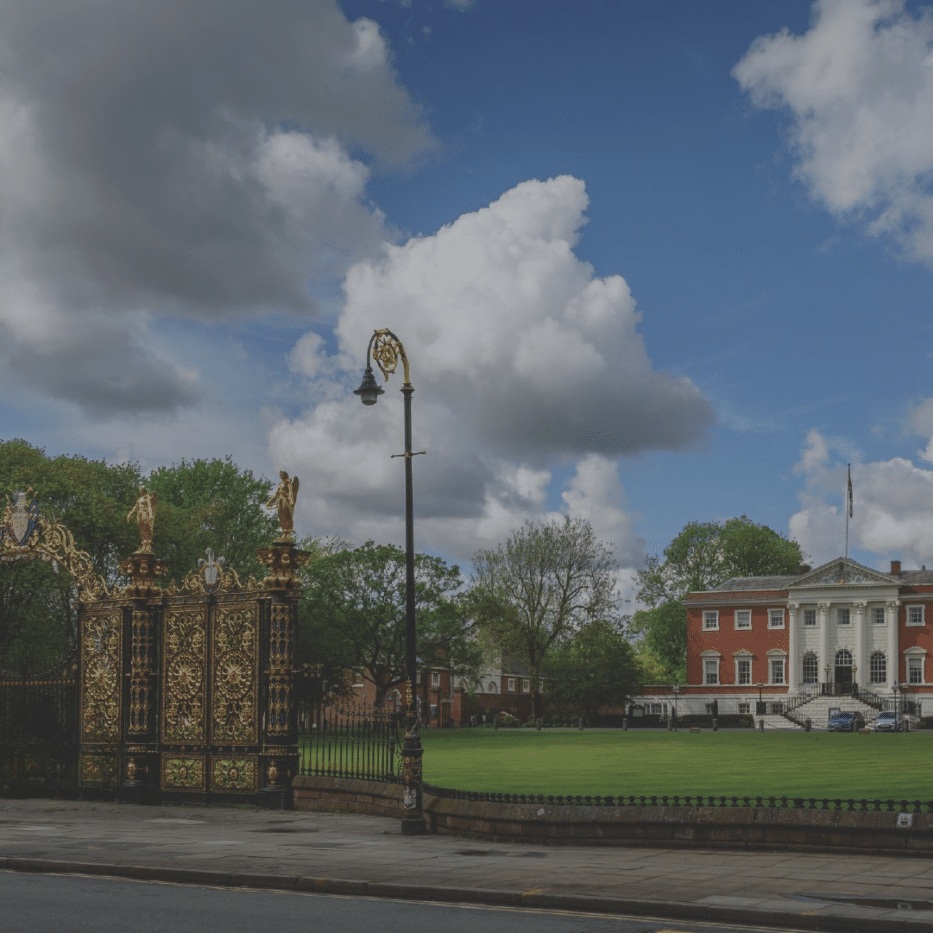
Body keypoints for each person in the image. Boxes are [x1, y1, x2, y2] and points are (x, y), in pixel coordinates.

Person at [266, 471, 299, 541]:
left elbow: (290, 491)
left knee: (286, 516)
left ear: (285, 475)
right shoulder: (280, 484)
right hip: (280, 501)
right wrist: (270, 501)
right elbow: (276, 494)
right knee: (281, 517)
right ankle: (284, 532)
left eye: (282, 474)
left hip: (285, 500)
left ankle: (287, 533)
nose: (280, 476)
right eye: (280, 475)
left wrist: (291, 500)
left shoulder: (287, 482)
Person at [126, 486, 157, 553]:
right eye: (140, 490)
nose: (140, 491)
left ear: (143, 490)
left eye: (141, 490)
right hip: (139, 514)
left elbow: (149, 506)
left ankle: (147, 545)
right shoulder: (139, 499)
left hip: (144, 514)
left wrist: (150, 515)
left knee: (146, 528)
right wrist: (130, 514)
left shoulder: (147, 498)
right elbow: (135, 507)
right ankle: (143, 543)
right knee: (141, 529)